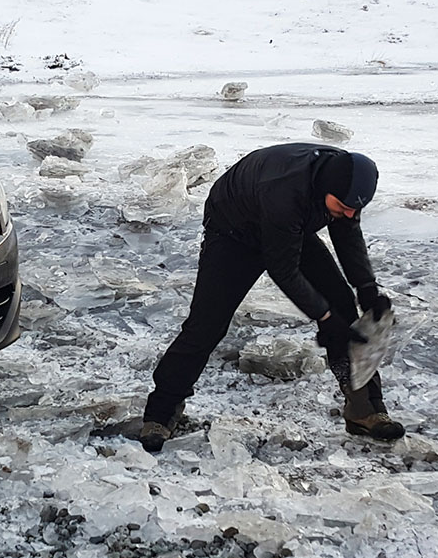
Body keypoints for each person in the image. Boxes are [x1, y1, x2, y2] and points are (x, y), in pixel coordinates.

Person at [137, 143, 404, 452]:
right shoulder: (284, 192)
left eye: (355, 208)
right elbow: (284, 269)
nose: (349, 213)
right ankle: (160, 414)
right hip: (234, 234)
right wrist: (324, 317)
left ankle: (365, 410)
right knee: (206, 325)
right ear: (326, 189)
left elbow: (346, 231)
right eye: (343, 206)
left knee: (343, 306)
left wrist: (366, 288)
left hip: (292, 227)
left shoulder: (343, 184)